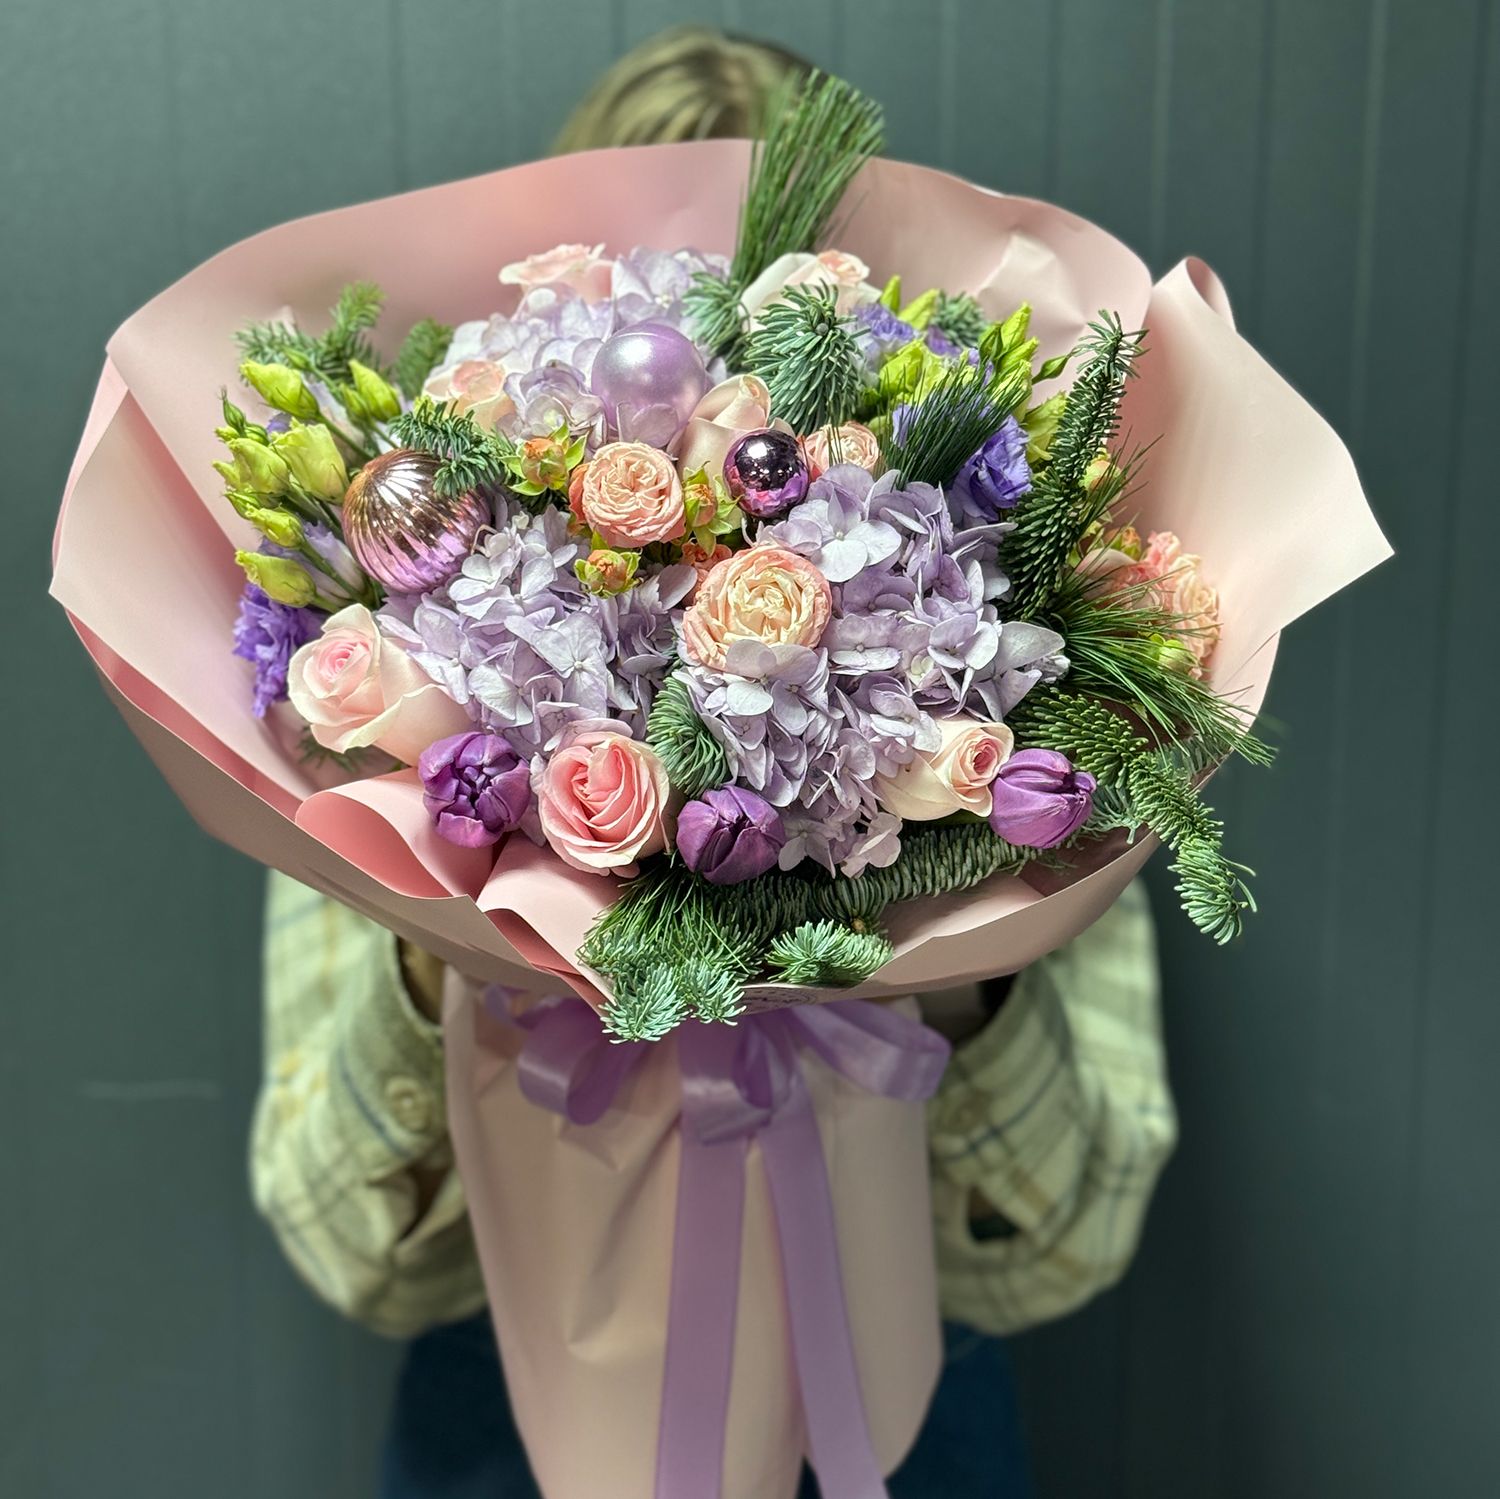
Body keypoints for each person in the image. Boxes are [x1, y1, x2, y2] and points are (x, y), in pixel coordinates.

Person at [251, 26, 1177, 1499]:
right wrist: (451, 952)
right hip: (516, 1413)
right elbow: (350, 1258)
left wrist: (957, 944)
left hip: (897, 1406)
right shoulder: (378, 740)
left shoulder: (1026, 733)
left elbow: (1069, 1245)